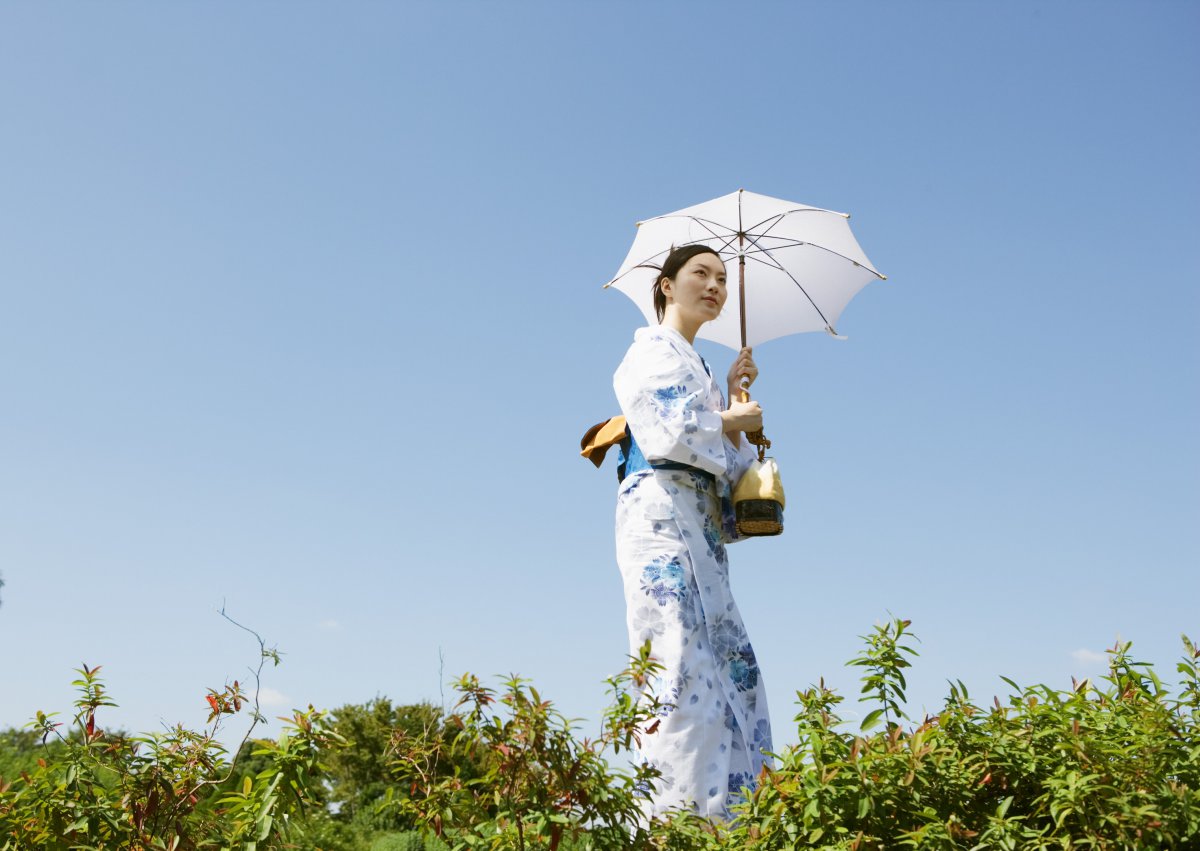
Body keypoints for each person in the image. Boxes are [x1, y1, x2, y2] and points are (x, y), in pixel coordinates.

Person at [613, 244, 773, 820]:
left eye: (722, 279)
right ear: (665, 286)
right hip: (659, 520)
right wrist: (729, 419)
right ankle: (673, 822)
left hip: (697, 527)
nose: (714, 286)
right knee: (676, 669)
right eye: (700, 274)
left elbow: (725, 470)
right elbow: (665, 432)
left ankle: (728, 817)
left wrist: (732, 400)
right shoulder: (650, 351)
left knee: (722, 669)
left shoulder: (700, 368)